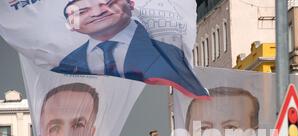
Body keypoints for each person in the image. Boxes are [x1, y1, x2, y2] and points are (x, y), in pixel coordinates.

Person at [52, 0, 207, 97]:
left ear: (131, 3)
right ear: (71, 24)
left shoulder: (163, 51)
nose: (98, 13)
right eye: (82, 12)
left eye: (109, 3)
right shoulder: (66, 64)